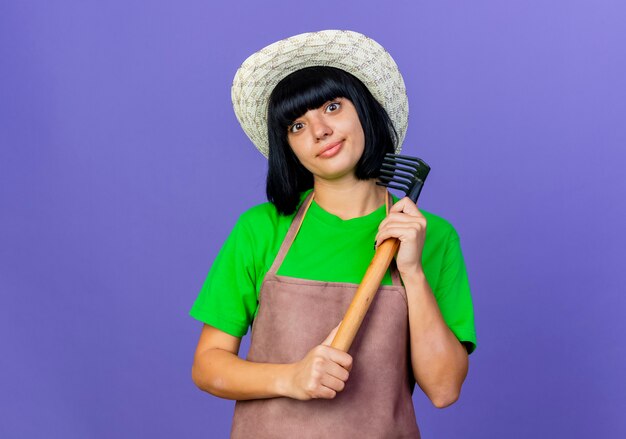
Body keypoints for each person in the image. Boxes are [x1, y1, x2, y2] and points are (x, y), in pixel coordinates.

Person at [190, 30, 477, 438]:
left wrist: (411, 271)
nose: (320, 130)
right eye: (296, 125)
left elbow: (445, 389)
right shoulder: (261, 229)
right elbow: (207, 365)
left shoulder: (430, 236)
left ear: (364, 110)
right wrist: (291, 378)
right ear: (288, 146)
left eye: (332, 106)